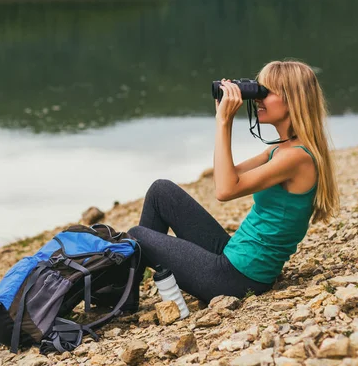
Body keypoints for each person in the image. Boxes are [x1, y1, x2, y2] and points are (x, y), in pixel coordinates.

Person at [125, 60, 340, 312]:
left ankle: (123, 297)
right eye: (258, 91)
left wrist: (224, 123)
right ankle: (126, 294)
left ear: (293, 100)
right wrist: (222, 115)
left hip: (236, 279)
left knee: (138, 235)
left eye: (266, 93)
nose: (258, 99)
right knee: (162, 192)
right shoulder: (281, 150)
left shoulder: (297, 157)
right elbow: (225, 176)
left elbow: (225, 191)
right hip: (235, 257)